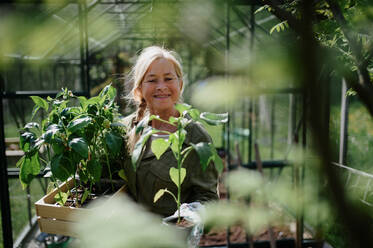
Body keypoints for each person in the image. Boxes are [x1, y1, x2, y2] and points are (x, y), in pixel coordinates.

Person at [121, 46, 219, 217]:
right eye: (152, 80)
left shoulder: (196, 138)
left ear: (180, 85)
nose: (161, 86)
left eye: (168, 78)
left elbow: (208, 198)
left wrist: (191, 215)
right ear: (139, 90)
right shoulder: (126, 128)